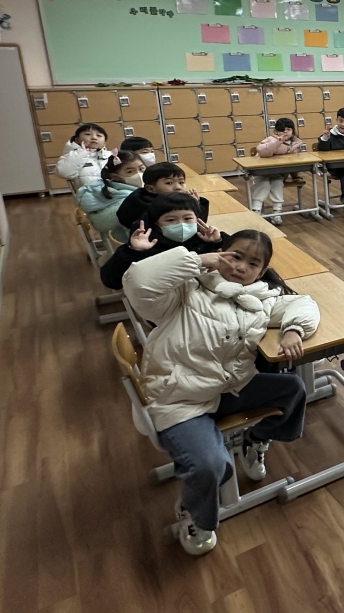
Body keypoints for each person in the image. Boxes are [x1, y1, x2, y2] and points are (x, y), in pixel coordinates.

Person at [122, 230, 319, 556]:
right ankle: (194, 514)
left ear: (262, 271)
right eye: (235, 256)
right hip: (180, 398)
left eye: (253, 263)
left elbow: (304, 303)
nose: (241, 267)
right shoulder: (185, 290)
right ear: (220, 252)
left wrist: (293, 329)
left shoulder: (259, 300)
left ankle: (255, 439)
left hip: (226, 388)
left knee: (293, 390)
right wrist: (198, 260)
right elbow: (137, 282)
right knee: (211, 465)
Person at [100, 192, 223, 289]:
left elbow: (224, 266)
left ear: (197, 219)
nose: (181, 224)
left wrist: (215, 243)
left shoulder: (204, 238)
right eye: (171, 220)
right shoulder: (145, 246)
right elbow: (111, 281)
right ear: (156, 224)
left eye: (187, 218)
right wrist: (132, 251)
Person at [115, 162, 210, 231]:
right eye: (169, 183)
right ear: (151, 188)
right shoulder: (155, 206)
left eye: (181, 182)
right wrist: (194, 207)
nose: (178, 187)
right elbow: (195, 227)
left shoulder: (141, 195)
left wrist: (194, 204)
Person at [75, 150, 145, 243]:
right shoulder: (131, 199)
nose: (139, 174)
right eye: (130, 171)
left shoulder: (112, 189)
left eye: (141, 169)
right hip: (132, 242)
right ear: (115, 177)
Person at [252, 117, 303, 225]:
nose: (285, 132)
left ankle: (277, 212)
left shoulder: (295, 143)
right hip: (261, 172)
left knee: (278, 184)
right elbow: (262, 151)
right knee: (264, 185)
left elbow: (294, 161)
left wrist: (295, 175)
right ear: (276, 131)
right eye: (282, 130)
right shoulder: (270, 139)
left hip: (278, 173)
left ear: (293, 131)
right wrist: (276, 142)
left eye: (289, 129)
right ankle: (256, 210)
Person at [56, 123, 112, 187]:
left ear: (104, 143)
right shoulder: (73, 156)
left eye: (99, 135)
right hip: (88, 192)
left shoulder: (110, 156)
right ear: (77, 140)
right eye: (88, 134)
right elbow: (63, 173)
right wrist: (81, 153)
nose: (94, 137)